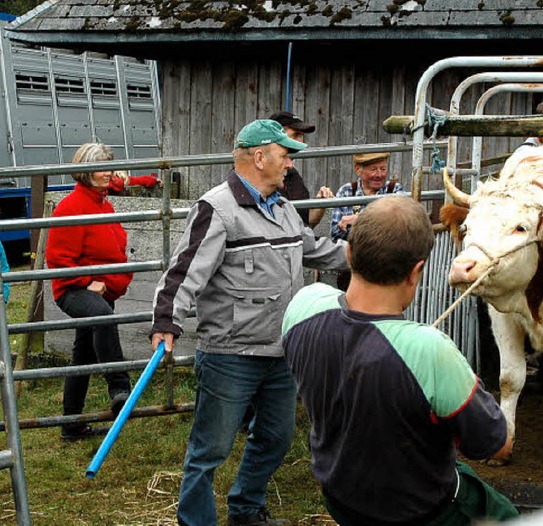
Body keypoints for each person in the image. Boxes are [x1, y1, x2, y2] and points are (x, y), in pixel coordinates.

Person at [150, 119, 347, 526]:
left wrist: (367, 255)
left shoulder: (284, 207)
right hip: (231, 354)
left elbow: (315, 251)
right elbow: (184, 273)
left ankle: (244, 506)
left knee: (276, 438)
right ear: (259, 157)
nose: (290, 164)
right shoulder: (217, 209)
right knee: (210, 451)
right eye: (285, 155)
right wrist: (167, 319)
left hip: (281, 350)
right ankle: (196, 520)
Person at [282, 195, 518, 526]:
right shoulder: (429, 350)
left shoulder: (303, 308)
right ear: (417, 271)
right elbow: (497, 446)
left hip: (341, 495)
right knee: (506, 515)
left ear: (349, 254)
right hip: (418, 511)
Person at [45, 142, 132, 441]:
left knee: (82, 355)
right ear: (85, 172)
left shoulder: (103, 203)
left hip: (101, 290)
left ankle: (71, 425)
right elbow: (56, 259)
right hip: (73, 289)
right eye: (100, 167)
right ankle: (119, 386)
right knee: (102, 315)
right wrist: (85, 282)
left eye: (109, 165)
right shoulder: (71, 207)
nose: (108, 172)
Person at [269, 111, 333, 228]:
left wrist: (321, 205)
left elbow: (305, 224)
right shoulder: (261, 177)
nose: (300, 142)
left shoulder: (293, 175)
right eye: (296, 134)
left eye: (301, 136)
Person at [330, 151, 403, 241]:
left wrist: (360, 220)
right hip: (355, 252)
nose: (379, 175)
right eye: (373, 169)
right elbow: (335, 234)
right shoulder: (346, 191)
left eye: (383, 169)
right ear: (358, 169)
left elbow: (400, 226)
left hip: (386, 252)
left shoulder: (394, 190)